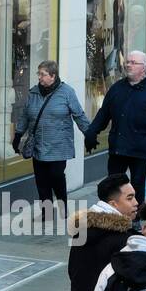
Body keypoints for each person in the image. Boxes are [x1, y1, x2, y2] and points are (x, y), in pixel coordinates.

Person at [83, 50, 146, 204]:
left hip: (140, 148)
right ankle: (113, 213)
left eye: (133, 62)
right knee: (114, 184)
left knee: (136, 184)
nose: (128, 65)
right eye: (127, 62)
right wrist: (92, 132)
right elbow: (104, 114)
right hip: (118, 146)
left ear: (144, 68)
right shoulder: (117, 88)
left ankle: (135, 215)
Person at [13, 60, 92, 215]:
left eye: (43, 74)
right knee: (41, 180)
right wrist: (18, 135)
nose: (40, 77)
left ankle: (63, 205)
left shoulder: (67, 92)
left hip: (59, 145)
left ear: (53, 76)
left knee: (56, 176)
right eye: (39, 74)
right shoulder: (33, 93)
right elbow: (24, 116)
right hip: (38, 144)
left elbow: (79, 115)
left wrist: (89, 134)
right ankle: (46, 212)